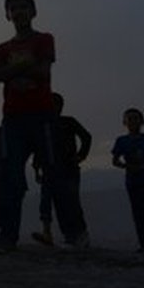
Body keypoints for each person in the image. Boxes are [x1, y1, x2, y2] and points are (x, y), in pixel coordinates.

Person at [0, 0, 55, 253]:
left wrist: (11, 71)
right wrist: (25, 66)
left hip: (42, 114)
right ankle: (8, 237)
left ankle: (74, 233)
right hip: (13, 117)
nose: (19, 12)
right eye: (13, 8)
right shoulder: (3, 48)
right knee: (10, 177)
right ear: (7, 14)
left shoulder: (44, 39)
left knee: (53, 172)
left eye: (24, 6)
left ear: (33, 11)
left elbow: (43, 72)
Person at [31, 92, 91, 248]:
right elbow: (38, 148)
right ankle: (58, 235)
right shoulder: (41, 124)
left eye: (54, 104)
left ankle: (80, 234)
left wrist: (81, 155)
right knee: (51, 202)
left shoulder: (68, 122)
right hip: (48, 170)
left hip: (68, 169)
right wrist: (36, 169)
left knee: (71, 202)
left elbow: (86, 137)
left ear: (60, 106)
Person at [112, 107, 144, 254]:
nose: (132, 121)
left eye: (135, 118)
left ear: (141, 121)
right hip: (133, 182)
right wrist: (129, 167)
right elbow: (115, 161)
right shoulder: (121, 141)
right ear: (125, 122)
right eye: (129, 119)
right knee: (138, 213)